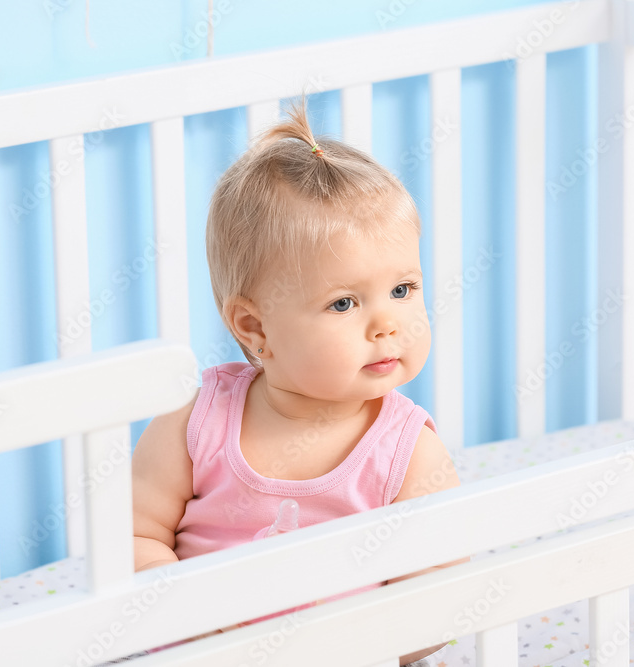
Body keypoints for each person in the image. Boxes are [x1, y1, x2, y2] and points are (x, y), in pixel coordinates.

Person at [132, 95, 467, 665]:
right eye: (343, 303)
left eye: (403, 289)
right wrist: (193, 627)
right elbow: (135, 539)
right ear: (254, 326)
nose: (387, 323)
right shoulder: (196, 420)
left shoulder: (409, 454)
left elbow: (433, 604)